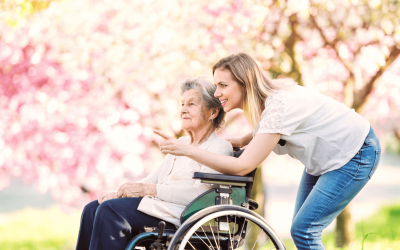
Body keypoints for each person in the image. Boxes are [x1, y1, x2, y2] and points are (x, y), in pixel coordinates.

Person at [154, 53, 381, 250]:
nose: (217, 93)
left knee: (305, 230)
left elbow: (243, 166)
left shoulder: (278, 106)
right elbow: (266, 131)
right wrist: (238, 140)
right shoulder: (266, 104)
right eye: (216, 86)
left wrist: (188, 151)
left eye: (223, 85)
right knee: (302, 230)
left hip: (355, 153)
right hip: (325, 159)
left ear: (245, 83)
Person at [76, 78, 233, 250]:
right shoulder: (181, 142)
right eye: (182, 104)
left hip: (180, 214)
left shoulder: (219, 147)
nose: (183, 110)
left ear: (213, 113)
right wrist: (121, 194)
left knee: (110, 211)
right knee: (92, 209)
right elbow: (151, 181)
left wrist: (150, 191)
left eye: (191, 104)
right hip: (158, 206)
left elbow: (200, 195)